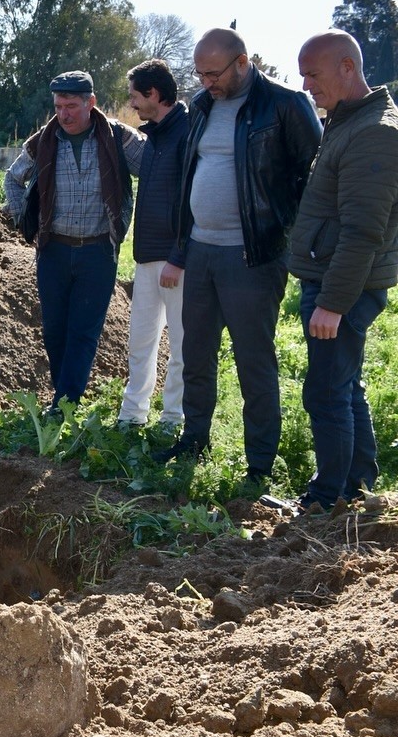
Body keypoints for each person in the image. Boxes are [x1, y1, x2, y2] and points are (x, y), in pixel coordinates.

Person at [155, 28, 321, 481]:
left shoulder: (285, 105)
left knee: (254, 362)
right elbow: (192, 175)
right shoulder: (203, 105)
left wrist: (297, 242)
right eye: (200, 73)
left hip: (255, 257)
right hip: (202, 252)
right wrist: (183, 247)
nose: (205, 81)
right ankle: (194, 441)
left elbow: (316, 180)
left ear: (242, 62)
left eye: (213, 73)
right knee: (196, 353)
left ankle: (259, 464)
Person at [287, 30, 398, 512]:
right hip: (336, 278)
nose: (307, 85)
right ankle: (355, 489)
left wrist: (332, 303)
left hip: (344, 286)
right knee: (344, 385)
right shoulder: (350, 120)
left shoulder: (374, 133)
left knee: (327, 391)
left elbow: (362, 232)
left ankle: (326, 498)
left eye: (313, 74)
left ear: (347, 68)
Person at [5, 70, 144, 410]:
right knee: (55, 331)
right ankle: (65, 398)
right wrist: (25, 217)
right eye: (58, 106)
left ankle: (65, 403)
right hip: (54, 251)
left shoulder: (117, 138)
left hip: (98, 252)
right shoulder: (45, 140)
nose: (63, 114)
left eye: (71, 106)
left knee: (83, 332)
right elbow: (12, 179)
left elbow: (155, 168)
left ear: (90, 103)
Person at [117, 59, 191, 428]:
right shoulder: (156, 136)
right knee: (140, 342)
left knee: (180, 345)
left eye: (134, 96)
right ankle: (132, 416)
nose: (132, 104)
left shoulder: (189, 133)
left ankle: (172, 420)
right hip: (147, 258)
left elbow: (195, 199)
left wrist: (179, 256)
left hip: (177, 261)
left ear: (154, 94)